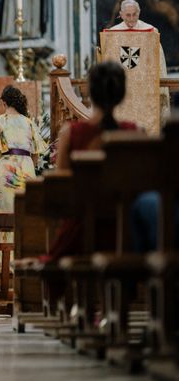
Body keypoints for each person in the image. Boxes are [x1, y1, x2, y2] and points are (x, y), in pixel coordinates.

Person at [46, 61, 139, 261]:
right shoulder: (134, 133)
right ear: (121, 94)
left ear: (91, 93)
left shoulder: (72, 133)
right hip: (127, 233)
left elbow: (62, 188)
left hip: (83, 233)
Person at [0, 86, 46, 245]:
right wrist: (30, 168)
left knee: (4, 214)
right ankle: (23, 251)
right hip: (27, 169)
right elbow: (36, 153)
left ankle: (6, 254)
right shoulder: (29, 122)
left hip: (6, 170)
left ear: (4, 102)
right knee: (24, 213)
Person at [108, 0, 169, 117]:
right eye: (127, 15)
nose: (131, 18)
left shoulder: (151, 32)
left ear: (139, 13)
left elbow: (158, 61)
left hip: (145, 87)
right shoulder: (113, 34)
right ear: (121, 14)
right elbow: (109, 61)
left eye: (134, 14)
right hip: (122, 87)